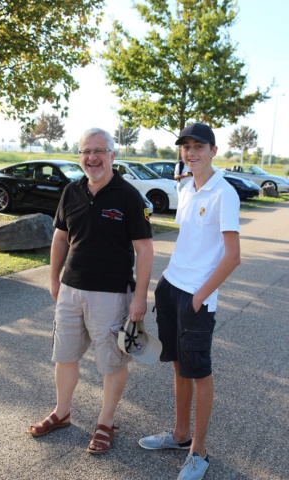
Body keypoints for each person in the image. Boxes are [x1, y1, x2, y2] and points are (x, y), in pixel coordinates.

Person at [27, 128, 153, 454]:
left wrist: (140, 297)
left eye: (99, 151)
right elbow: (59, 238)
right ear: (80, 155)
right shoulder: (71, 191)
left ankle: (105, 422)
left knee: (112, 362)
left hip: (111, 295)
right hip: (70, 290)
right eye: (86, 151)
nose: (92, 157)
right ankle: (62, 412)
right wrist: (54, 280)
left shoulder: (128, 196)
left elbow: (145, 249)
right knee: (64, 355)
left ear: (112, 155)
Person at [139, 123, 240, 480]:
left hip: (197, 297)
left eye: (199, 146)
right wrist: (167, 285)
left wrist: (199, 296)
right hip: (172, 287)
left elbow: (232, 256)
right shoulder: (186, 187)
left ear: (213, 149)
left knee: (199, 371)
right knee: (178, 365)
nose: (191, 152)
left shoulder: (223, 193)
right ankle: (180, 435)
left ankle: (199, 451)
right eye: (186, 146)